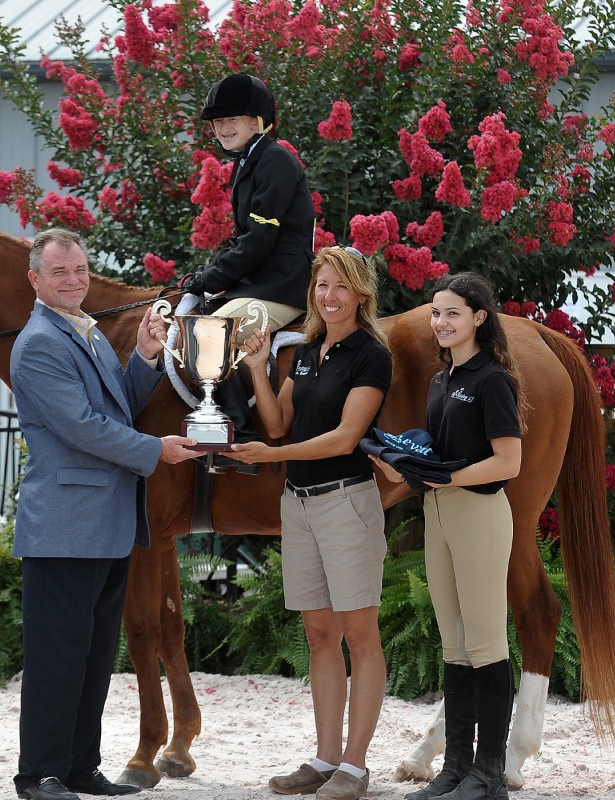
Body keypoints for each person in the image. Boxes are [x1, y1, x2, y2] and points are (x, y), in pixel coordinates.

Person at [10, 228, 198, 800]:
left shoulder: (82, 333)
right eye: (60, 272)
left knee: (93, 658)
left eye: (80, 269)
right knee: (57, 659)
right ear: (35, 280)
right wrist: (155, 451)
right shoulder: (40, 341)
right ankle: (38, 775)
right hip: (66, 526)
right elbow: (83, 428)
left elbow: (114, 403)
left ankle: (78, 768)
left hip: (105, 523)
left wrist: (142, 356)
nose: (73, 280)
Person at [230, 246, 392, 800]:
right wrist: (256, 368)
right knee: (320, 634)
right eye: (322, 285)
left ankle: (356, 766)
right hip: (297, 505)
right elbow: (278, 424)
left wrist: (270, 459)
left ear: (361, 295)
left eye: (341, 286)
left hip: (346, 503)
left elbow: (346, 439)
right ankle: (325, 759)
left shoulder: (372, 356)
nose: (329, 295)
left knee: (358, 634)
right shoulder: (302, 352)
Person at [371, 272, 523, 800]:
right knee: (455, 644)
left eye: (452, 312)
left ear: (479, 318)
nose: (441, 322)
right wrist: (403, 466)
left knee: (485, 641)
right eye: (436, 312)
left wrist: (446, 476)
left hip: (478, 512)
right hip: (438, 510)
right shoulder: (440, 381)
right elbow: (441, 454)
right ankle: (456, 767)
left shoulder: (492, 380)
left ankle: (490, 773)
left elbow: (509, 461)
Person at [178, 72, 316, 458]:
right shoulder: (248, 161)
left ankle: (239, 431)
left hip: (282, 284)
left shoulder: (275, 162)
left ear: (257, 122)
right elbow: (244, 241)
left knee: (212, 335)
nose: (222, 129)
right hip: (261, 280)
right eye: (218, 123)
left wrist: (211, 278)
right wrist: (210, 274)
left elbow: (258, 241)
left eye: (231, 120)